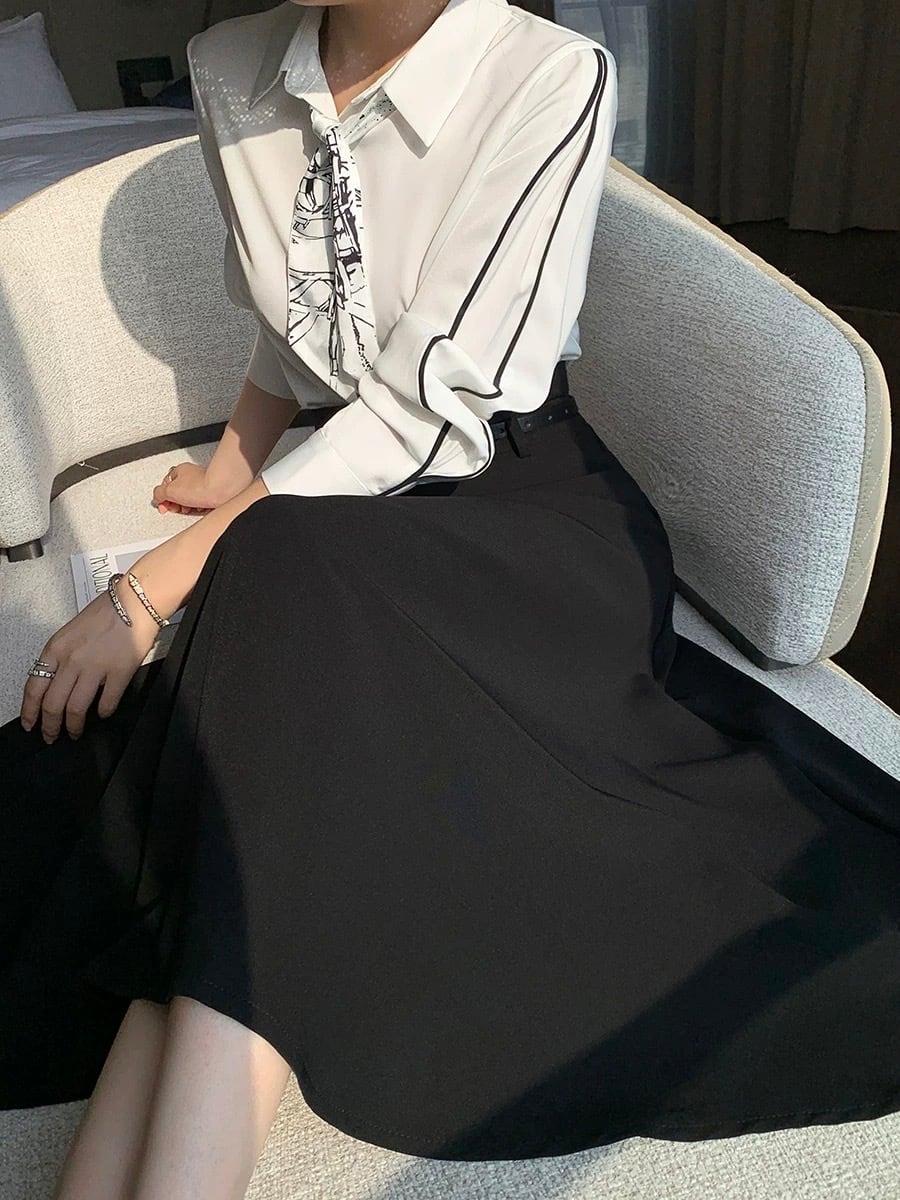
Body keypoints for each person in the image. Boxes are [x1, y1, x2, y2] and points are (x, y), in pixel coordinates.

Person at [1, 0, 899, 1196]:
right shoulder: (228, 69)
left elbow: (438, 408)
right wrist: (233, 467)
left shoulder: (549, 71)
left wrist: (148, 591)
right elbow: (289, 317)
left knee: (272, 572)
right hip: (335, 501)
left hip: (522, 511)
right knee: (270, 618)